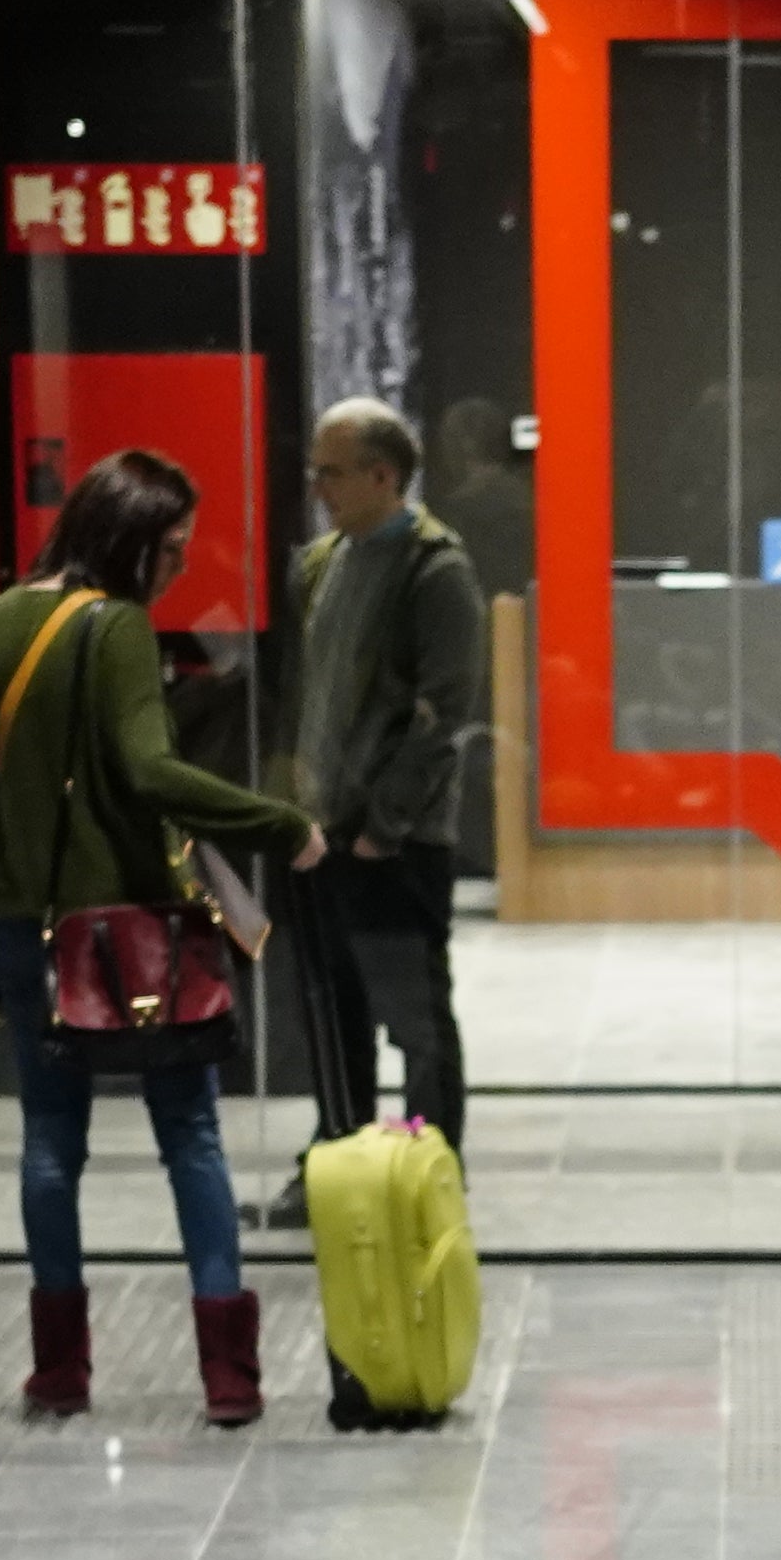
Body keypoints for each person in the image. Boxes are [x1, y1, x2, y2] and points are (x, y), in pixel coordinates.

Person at [0, 451, 314, 1421]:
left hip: (23, 926)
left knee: (47, 1140)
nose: (180, 569)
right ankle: (228, 1373)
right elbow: (152, 772)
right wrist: (280, 822)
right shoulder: (116, 628)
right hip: (132, 930)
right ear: (128, 541)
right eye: (171, 549)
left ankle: (59, 1371)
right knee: (190, 1133)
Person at [282, 396, 488, 1152]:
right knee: (333, 1015)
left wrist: (382, 829)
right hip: (318, 836)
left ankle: (430, 1171)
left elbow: (444, 715)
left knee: (415, 1020)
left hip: (393, 846)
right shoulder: (319, 565)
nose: (319, 489)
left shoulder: (436, 571)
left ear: (382, 475)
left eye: (331, 473)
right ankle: (341, 1165)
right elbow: (300, 699)